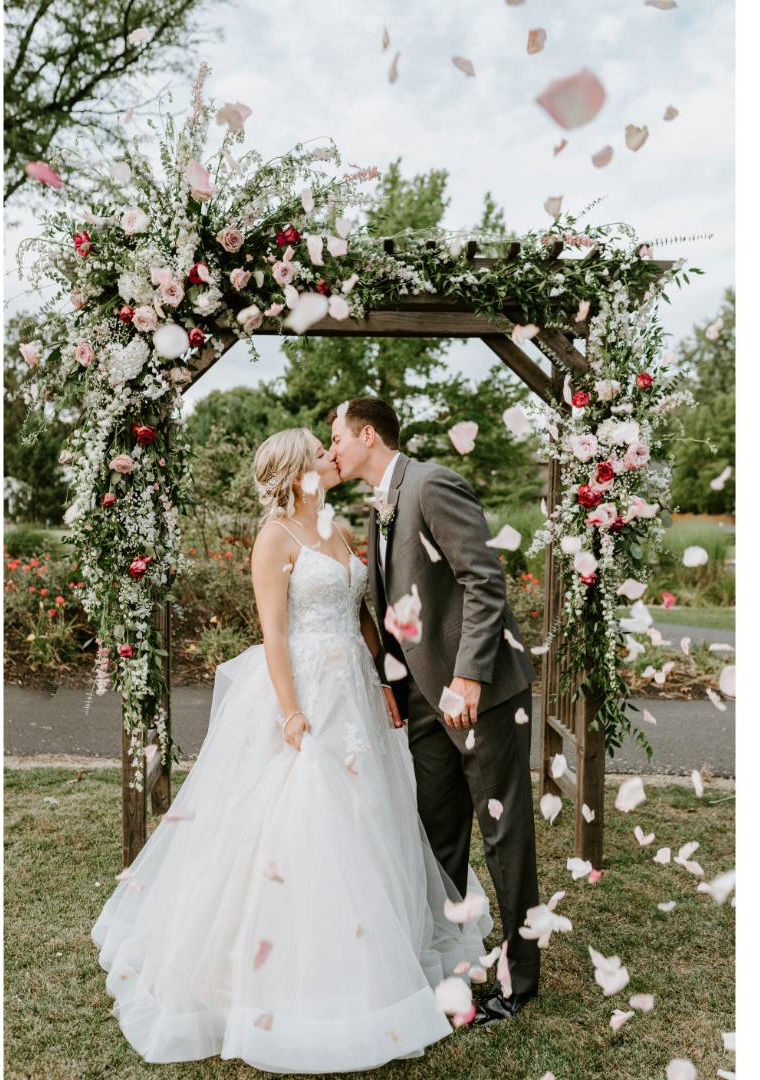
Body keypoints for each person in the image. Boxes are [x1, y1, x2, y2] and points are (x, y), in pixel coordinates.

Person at [91, 427, 491, 1073]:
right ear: (297, 469)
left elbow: (361, 614)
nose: (332, 456)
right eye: (320, 451)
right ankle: (282, 972)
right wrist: (291, 711)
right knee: (302, 818)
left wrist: (383, 680)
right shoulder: (275, 537)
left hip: (354, 691)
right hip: (305, 688)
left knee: (368, 816)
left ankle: (371, 951)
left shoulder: (336, 526)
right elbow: (273, 632)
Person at [328, 397, 542, 1026]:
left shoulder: (431, 484)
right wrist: (394, 686)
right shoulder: (380, 506)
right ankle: (441, 964)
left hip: (481, 696)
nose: (332, 449)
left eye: (336, 437)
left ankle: (519, 979)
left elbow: (484, 581)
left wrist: (469, 677)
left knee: (504, 834)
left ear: (368, 435)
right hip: (424, 701)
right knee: (432, 833)